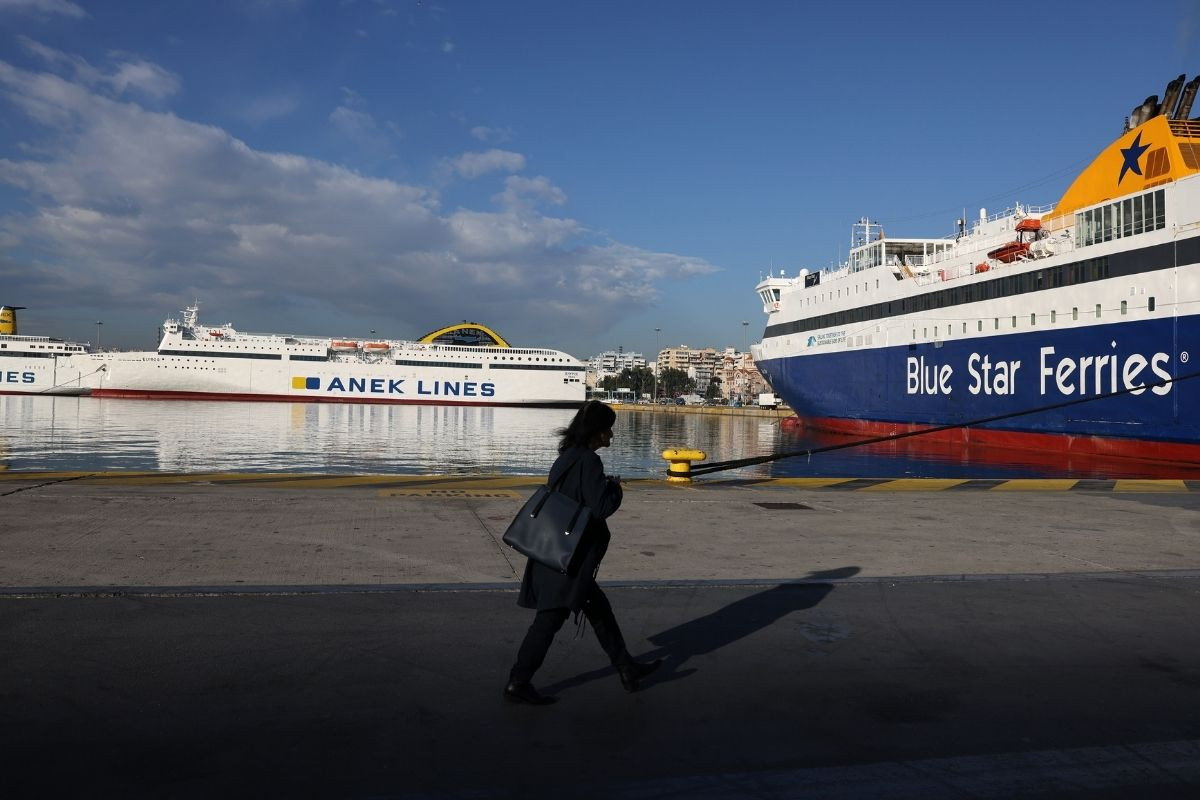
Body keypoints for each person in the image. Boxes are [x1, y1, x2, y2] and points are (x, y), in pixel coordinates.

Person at [504, 400, 662, 705]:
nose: (611, 437)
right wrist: (614, 489)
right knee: (549, 621)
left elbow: (572, 497)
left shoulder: (567, 457)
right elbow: (600, 508)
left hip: (554, 551)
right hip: (568, 559)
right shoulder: (590, 461)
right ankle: (518, 681)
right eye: (608, 431)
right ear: (596, 432)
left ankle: (627, 668)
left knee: (600, 612)